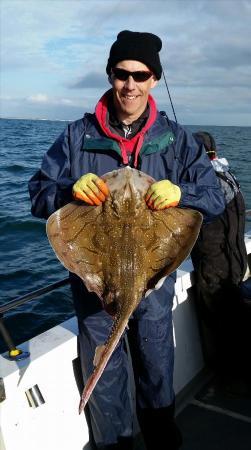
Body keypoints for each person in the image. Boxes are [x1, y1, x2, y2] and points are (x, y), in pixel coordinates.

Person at [28, 31, 225, 450]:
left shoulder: (178, 141)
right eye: (121, 74)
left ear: (154, 79)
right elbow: (38, 193)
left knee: (156, 373)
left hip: (153, 286)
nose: (130, 84)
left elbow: (214, 196)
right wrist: (68, 189)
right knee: (106, 383)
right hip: (96, 289)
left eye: (141, 74)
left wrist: (182, 193)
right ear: (110, 74)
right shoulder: (76, 136)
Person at [191, 131, 249, 389]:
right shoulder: (229, 176)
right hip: (238, 261)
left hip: (214, 267)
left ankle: (231, 380)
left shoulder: (205, 185)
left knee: (221, 324)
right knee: (236, 319)